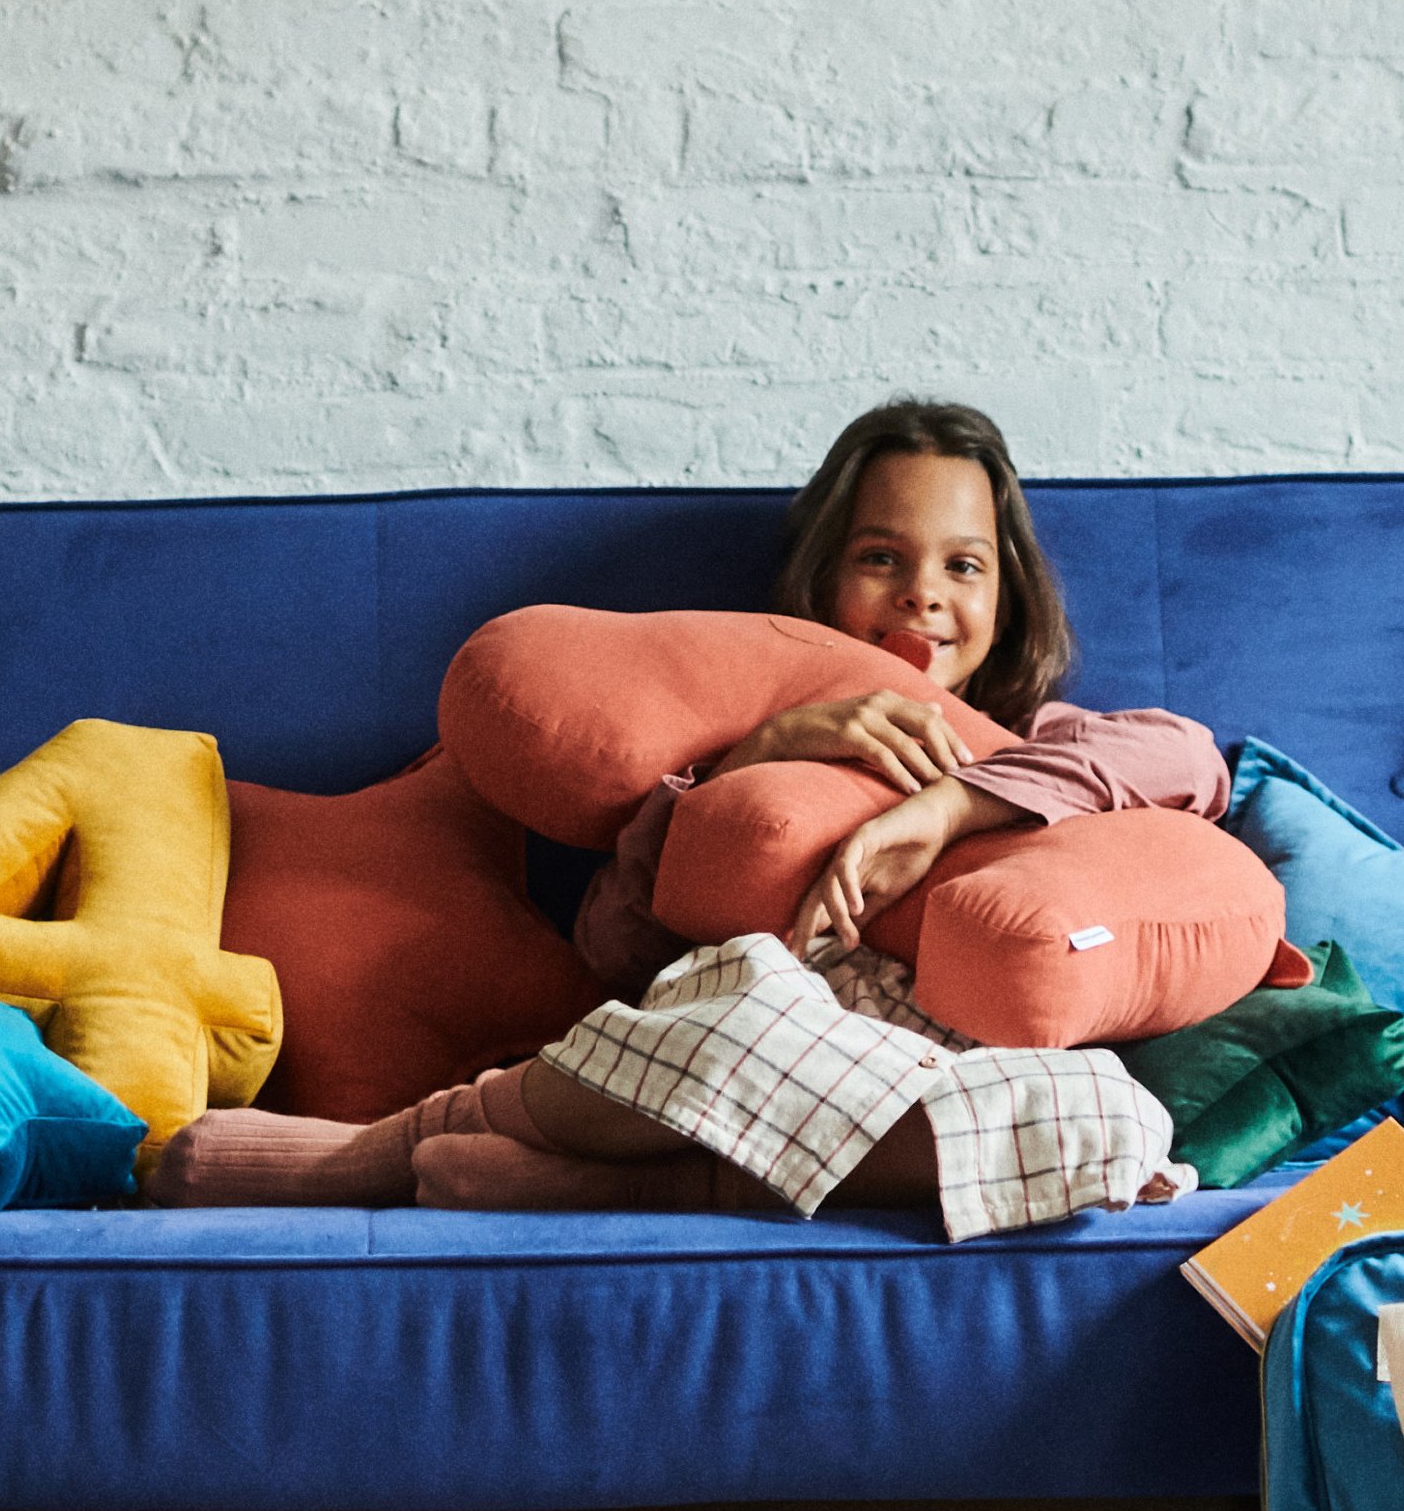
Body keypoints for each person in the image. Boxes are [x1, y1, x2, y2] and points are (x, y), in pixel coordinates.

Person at [158, 400, 1224, 1232]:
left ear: (1010, 596)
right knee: (737, 1011)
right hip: (748, 1035)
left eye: (963, 564)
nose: (923, 595)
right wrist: (749, 761)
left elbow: (1190, 760)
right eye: (880, 559)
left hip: (948, 1073)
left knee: (1113, 1119)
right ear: (822, 579)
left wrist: (953, 807)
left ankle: (622, 1187)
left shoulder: (1048, 742)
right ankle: (383, 1152)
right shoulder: (746, 743)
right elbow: (613, 952)